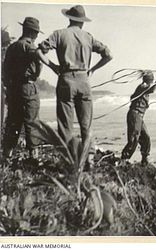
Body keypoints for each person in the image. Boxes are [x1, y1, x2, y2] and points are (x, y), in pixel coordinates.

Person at [36, 5, 112, 166]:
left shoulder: (59, 34)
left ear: (69, 18)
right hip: (84, 80)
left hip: (66, 79)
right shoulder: (88, 37)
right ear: (82, 22)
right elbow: (108, 55)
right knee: (86, 124)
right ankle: (89, 160)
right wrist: (93, 69)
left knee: (65, 124)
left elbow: (39, 51)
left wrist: (53, 66)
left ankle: (69, 161)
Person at [2, 17, 43, 159]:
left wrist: (9, 87)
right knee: (32, 122)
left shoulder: (12, 47)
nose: (37, 36)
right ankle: (34, 157)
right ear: (32, 33)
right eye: (36, 33)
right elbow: (39, 65)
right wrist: (34, 76)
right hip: (28, 87)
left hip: (14, 89)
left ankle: (6, 156)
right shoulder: (30, 47)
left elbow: (4, 71)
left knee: (13, 122)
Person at [121, 70, 156, 166]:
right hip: (135, 115)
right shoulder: (143, 86)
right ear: (149, 80)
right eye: (151, 80)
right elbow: (152, 89)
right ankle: (124, 159)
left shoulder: (143, 88)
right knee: (134, 139)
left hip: (139, 116)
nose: (151, 82)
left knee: (146, 137)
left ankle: (145, 158)